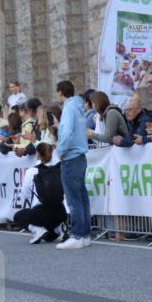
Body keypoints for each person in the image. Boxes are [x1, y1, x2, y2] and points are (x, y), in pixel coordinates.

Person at [54, 80, 92, 250]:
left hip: (70, 156)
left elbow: (68, 132)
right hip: (80, 156)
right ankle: (84, 234)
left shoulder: (69, 108)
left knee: (73, 199)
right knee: (81, 197)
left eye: (57, 93)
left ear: (61, 92)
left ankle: (77, 235)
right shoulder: (78, 107)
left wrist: (61, 150)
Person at [14, 142, 66, 244]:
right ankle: (59, 227)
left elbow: (24, 194)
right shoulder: (59, 168)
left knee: (18, 216)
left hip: (41, 212)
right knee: (49, 238)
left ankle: (38, 230)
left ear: (37, 154)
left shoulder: (32, 171)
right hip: (61, 212)